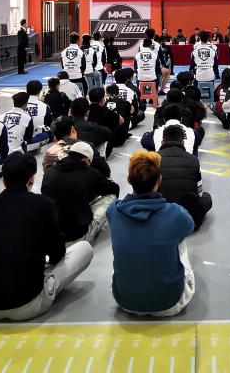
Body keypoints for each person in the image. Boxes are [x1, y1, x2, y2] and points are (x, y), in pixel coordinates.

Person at [0, 152, 94, 321]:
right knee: (84, 249)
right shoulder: (44, 204)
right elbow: (57, 254)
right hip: (27, 303)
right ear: (32, 179)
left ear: (4, 180)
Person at [107, 151, 196, 316]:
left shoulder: (113, 210)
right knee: (179, 241)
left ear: (129, 180)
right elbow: (189, 227)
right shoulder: (176, 213)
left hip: (125, 301)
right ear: (159, 180)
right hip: (169, 303)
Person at [40, 141, 119, 244]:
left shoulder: (50, 171)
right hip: (77, 237)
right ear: (87, 160)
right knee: (111, 196)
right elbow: (114, 188)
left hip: (50, 236)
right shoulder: (90, 173)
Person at [158, 124, 213, 230]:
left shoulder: (154, 158)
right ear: (183, 142)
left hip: (160, 216)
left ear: (162, 141)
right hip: (189, 218)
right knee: (207, 197)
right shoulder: (194, 160)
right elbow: (199, 193)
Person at [189, 30, 220, 100]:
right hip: (210, 76)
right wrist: (217, 75)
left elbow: (192, 65)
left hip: (199, 76)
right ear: (209, 38)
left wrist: (191, 74)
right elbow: (216, 65)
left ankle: (197, 98)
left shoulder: (195, 49)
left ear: (199, 38)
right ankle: (210, 97)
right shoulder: (213, 49)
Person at [135, 38, 161, 104]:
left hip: (140, 79)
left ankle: (142, 99)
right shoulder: (155, 55)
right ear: (150, 45)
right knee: (157, 76)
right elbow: (158, 70)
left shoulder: (137, 56)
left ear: (143, 45)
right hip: (152, 79)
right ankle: (153, 99)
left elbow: (135, 69)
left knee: (138, 76)